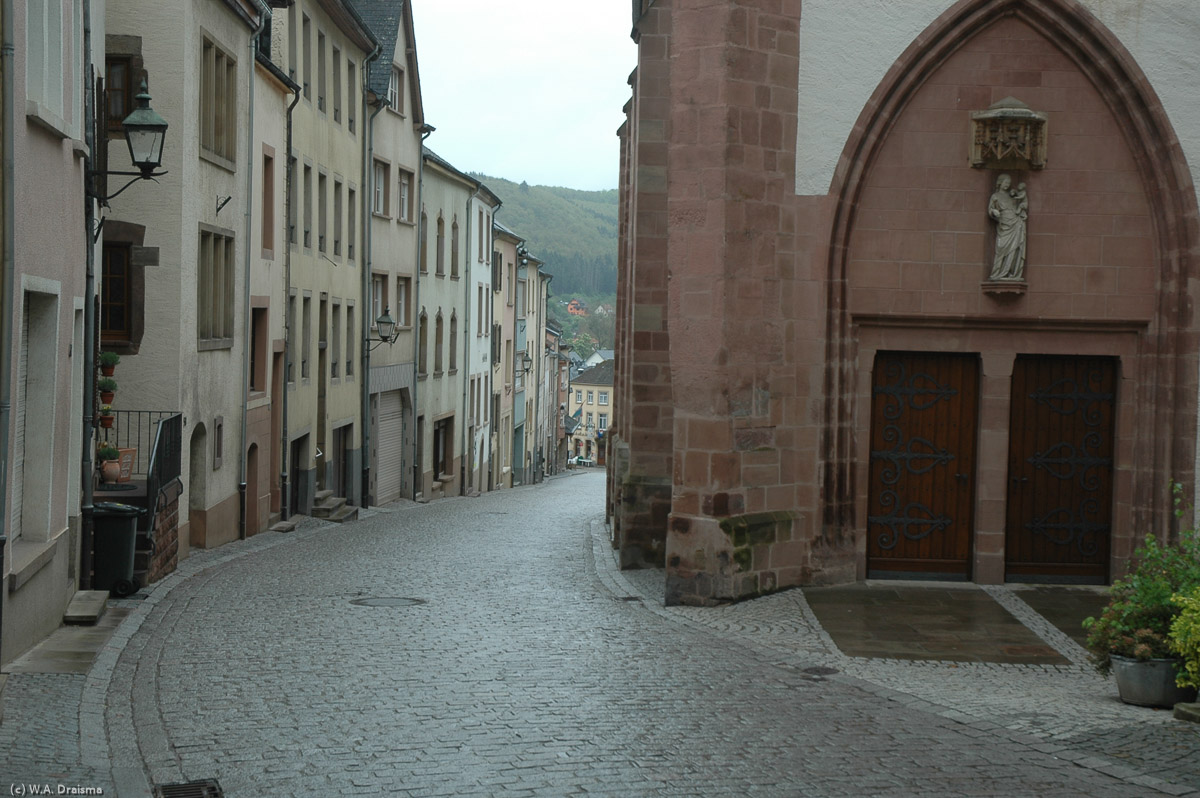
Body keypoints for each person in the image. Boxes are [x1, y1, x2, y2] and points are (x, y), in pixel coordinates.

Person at [988, 174, 1026, 281]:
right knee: (1001, 248)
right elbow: (990, 209)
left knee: (1014, 249)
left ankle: (1010, 273)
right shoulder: (995, 196)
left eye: (1008, 183)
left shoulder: (1011, 195)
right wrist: (994, 211)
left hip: (1015, 222)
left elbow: (1021, 202)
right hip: (1004, 224)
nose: (1007, 185)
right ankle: (997, 273)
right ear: (1000, 182)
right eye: (1005, 183)